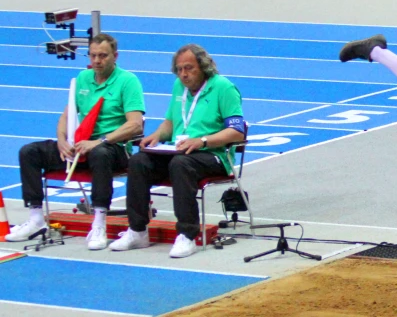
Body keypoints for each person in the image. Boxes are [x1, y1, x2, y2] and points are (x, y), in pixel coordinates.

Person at [6, 33, 145, 250]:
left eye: (103, 56)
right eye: (93, 55)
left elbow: (135, 124)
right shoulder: (82, 79)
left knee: (100, 154)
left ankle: (99, 222)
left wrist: (100, 141)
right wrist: (62, 141)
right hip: (81, 145)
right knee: (29, 151)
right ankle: (35, 218)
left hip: (113, 148)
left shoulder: (128, 81)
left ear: (115, 56)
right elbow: (67, 115)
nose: (97, 60)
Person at [109, 44, 245, 258]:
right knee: (139, 161)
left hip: (213, 155)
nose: (183, 74)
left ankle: (187, 235)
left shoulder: (224, 88)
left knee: (181, 164)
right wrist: (157, 135)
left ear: (203, 67)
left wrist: (203, 140)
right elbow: (171, 122)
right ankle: (137, 230)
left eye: (189, 68)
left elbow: (237, 132)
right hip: (178, 152)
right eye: (179, 69)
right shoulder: (178, 87)